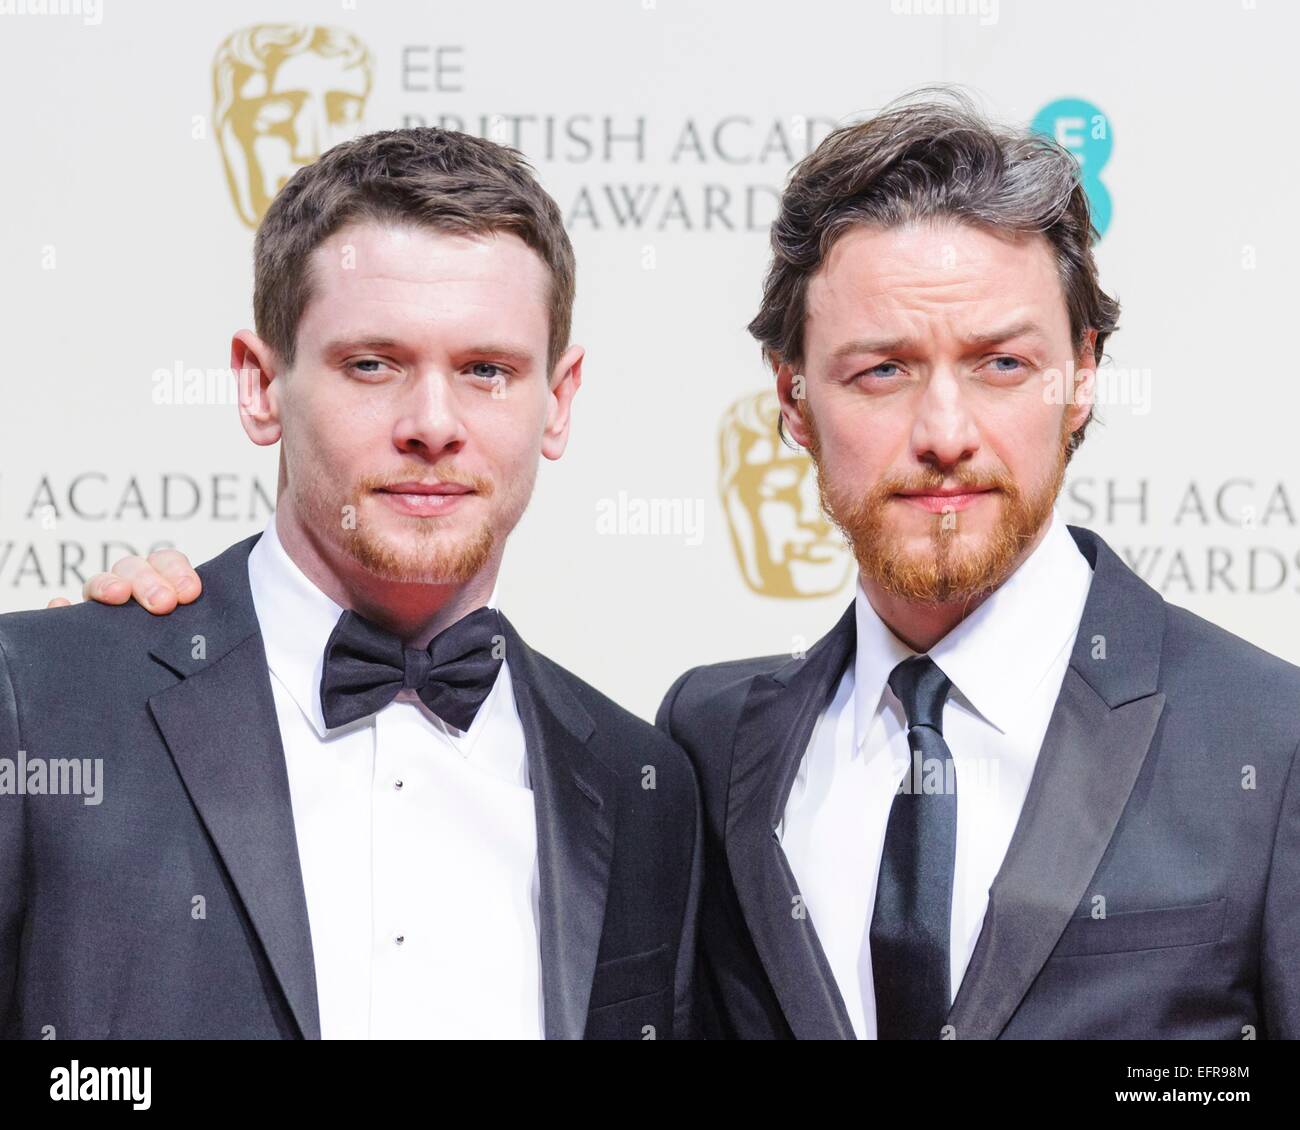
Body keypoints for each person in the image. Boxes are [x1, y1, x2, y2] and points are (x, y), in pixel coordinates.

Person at [1, 127, 700, 1040]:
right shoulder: (43, 699)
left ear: (558, 402)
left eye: (487, 370)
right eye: (372, 363)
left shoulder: (642, 784)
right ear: (260, 385)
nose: (432, 424)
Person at [655, 91, 1298, 1039]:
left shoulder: (1269, 743)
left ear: (1081, 375)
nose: (944, 435)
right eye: (883, 370)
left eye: (1001, 364)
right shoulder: (707, 747)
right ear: (793, 400)